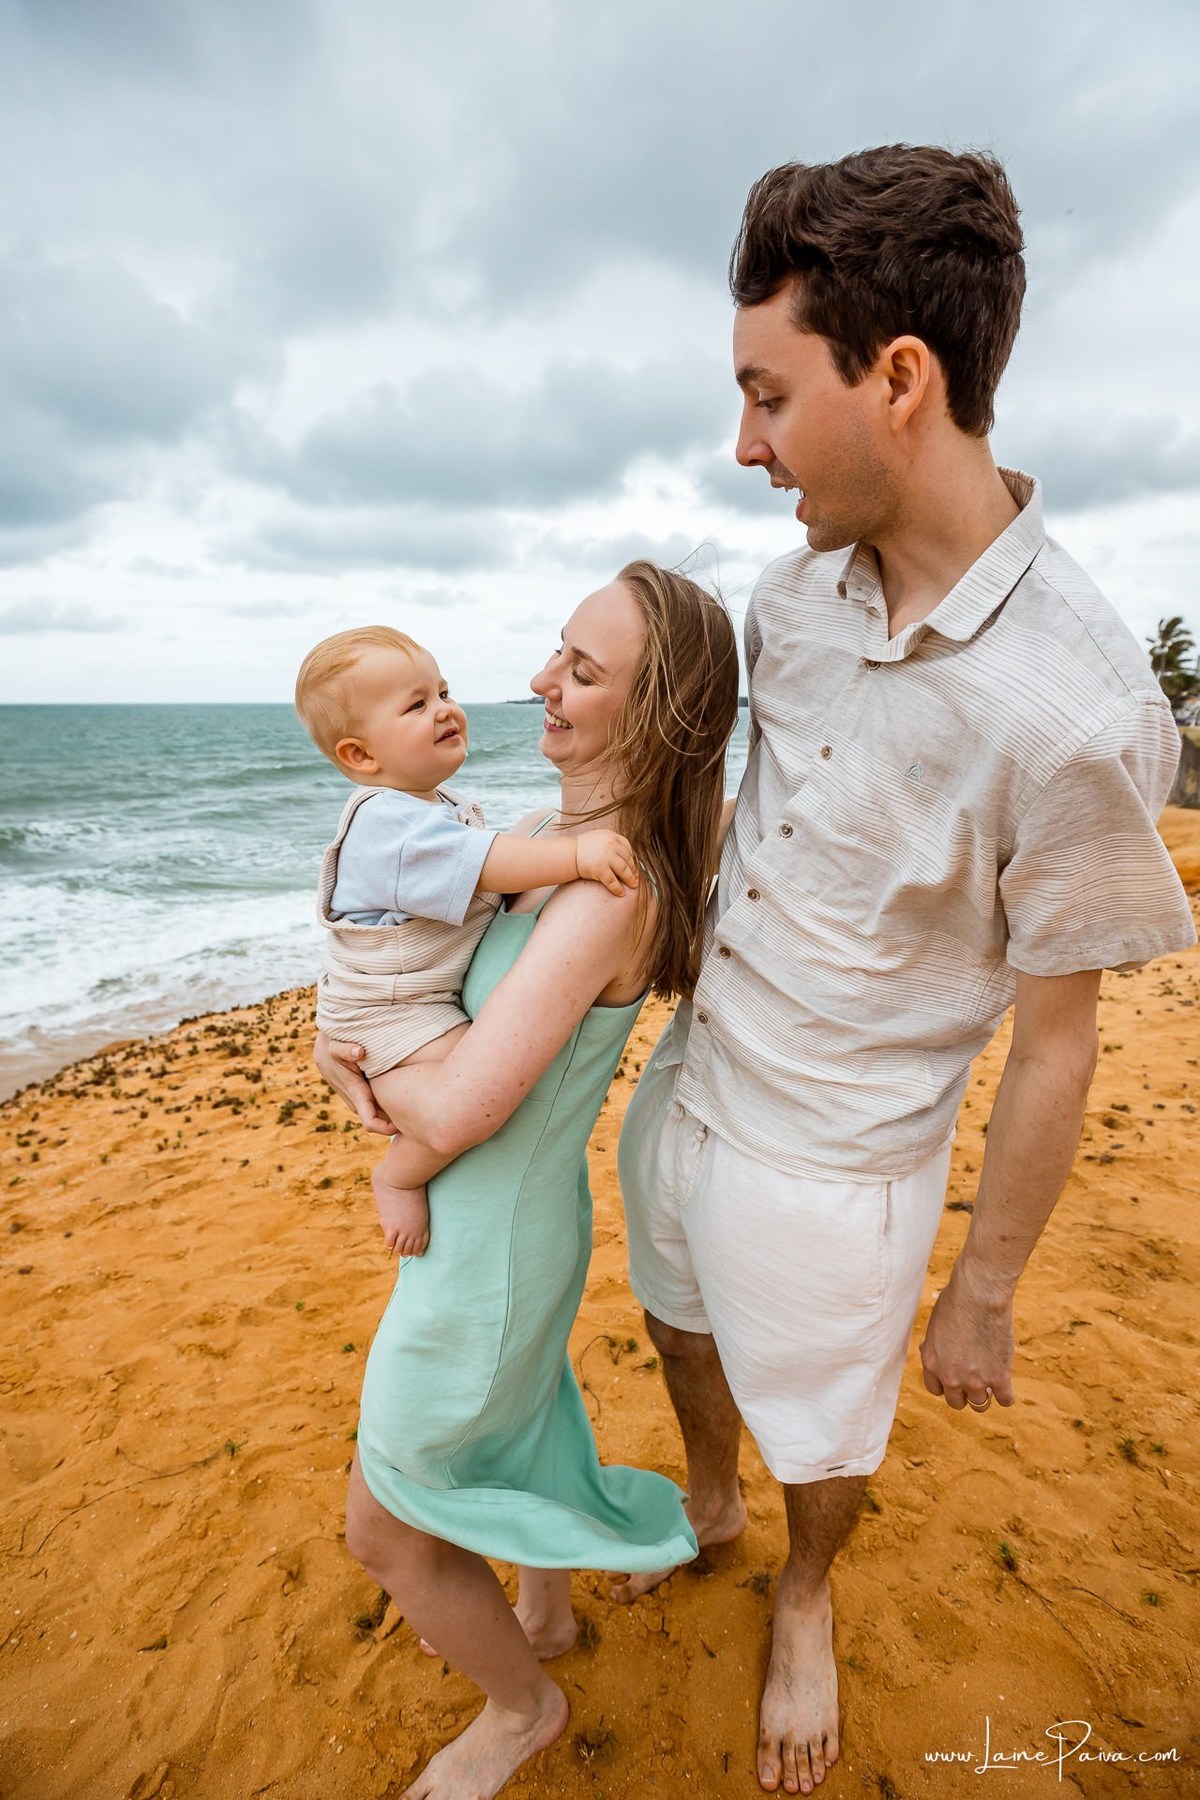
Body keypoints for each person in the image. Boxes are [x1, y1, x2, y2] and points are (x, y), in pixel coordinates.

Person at [616, 146, 1197, 1798]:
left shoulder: (1084, 713)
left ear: (899, 378)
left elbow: (1062, 1042)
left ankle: (802, 1587)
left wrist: (986, 1289)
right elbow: (747, 816)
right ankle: (711, 1503)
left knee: (832, 1440)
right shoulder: (790, 601)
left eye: (767, 395)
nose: (743, 446)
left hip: (840, 1168)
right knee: (674, 1325)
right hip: (697, 1080)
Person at [316, 561, 740, 1800]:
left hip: (490, 1243)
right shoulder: (558, 853)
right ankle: (542, 1624)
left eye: (582, 668)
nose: (539, 682)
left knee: (384, 1525)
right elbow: (430, 990)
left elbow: (458, 1104)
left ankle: (524, 1708)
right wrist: (342, 1037)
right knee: (516, 1424)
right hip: (507, 1222)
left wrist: (359, 1089)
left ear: (653, 715)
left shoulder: (608, 889)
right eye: (557, 652)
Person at [294, 624, 640, 1255]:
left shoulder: (433, 810)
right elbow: (482, 867)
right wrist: (579, 856)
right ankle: (398, 1176)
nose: (445, 708)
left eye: (443, 690)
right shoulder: (385, 826)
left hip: (408, 1005)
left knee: (470, 1088)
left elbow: (484, 872)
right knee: (467, 1099)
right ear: (361, 758)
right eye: (416, 704)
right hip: (392, 1016)